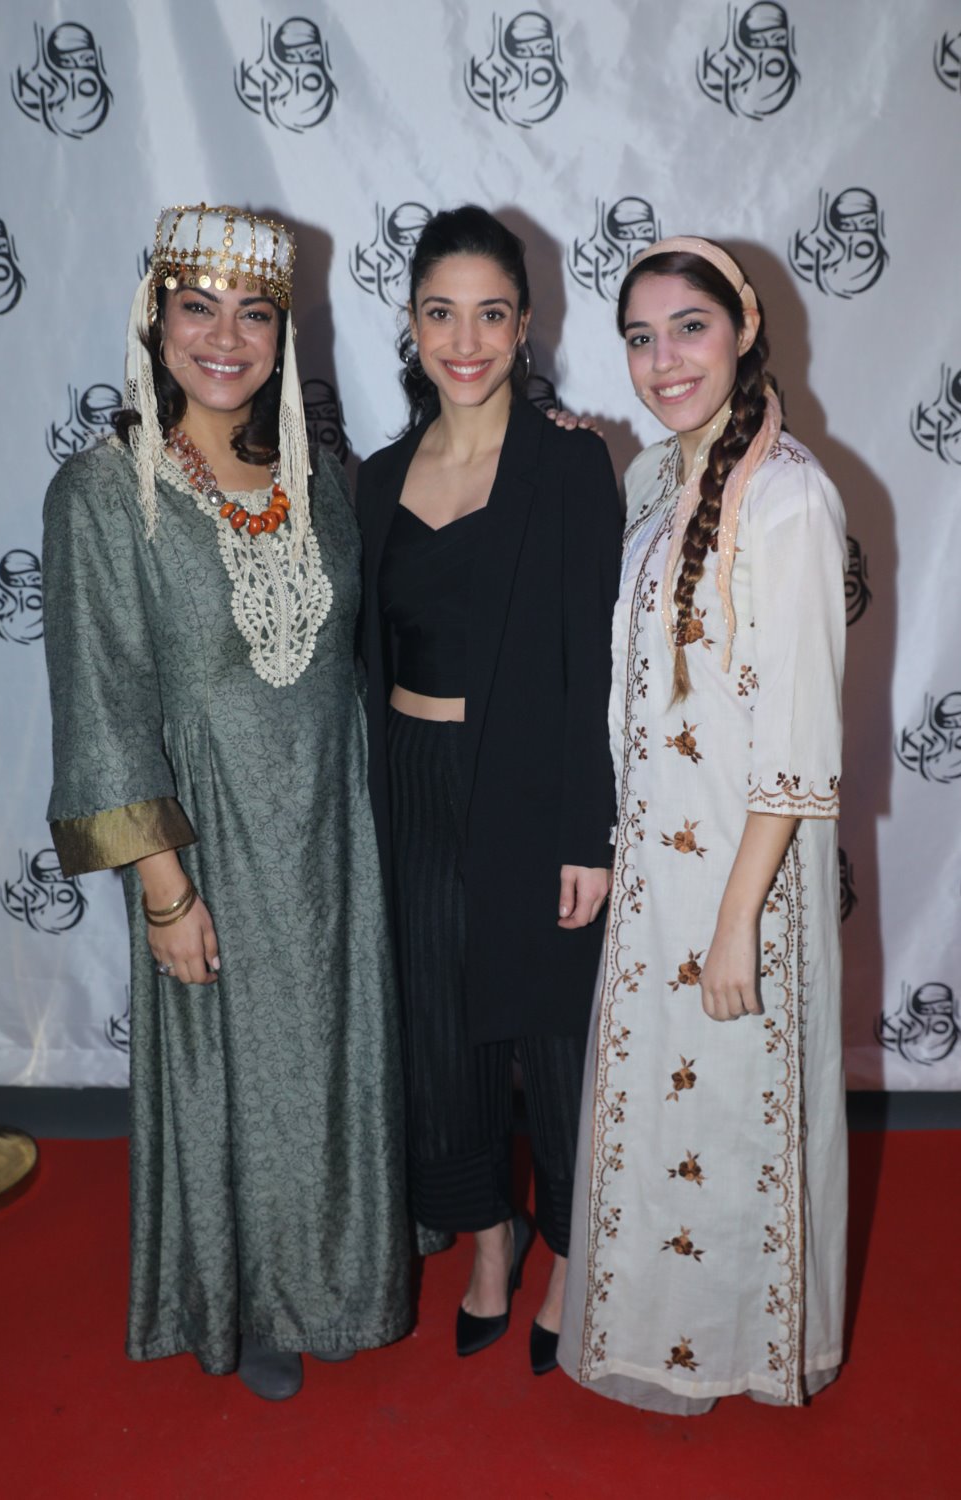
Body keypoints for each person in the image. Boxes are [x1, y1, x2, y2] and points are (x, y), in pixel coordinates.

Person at [42, 204, 411, 1400]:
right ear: (155, 319)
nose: (226, 338)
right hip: (208, 835)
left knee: (333, 1060)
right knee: (230, 1072)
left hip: (335, 830)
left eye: (255, 314)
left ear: (282, 335)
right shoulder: (106, 492)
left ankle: (338, 1278)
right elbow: (102, 702)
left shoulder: (317, 479)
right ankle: (242, 1299)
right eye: (198, 308)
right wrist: (164, 891)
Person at [558, 236, 847, 1412]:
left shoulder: (789, 500)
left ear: (744, 331)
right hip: (655, 877)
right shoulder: (654, 483)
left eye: (689, 327)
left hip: (744, 879)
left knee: (733, 1113)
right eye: (640, 337)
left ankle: (744, 1351)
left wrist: (736, 922)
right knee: (664, 1107)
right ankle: (659, 1338)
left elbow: (799, 742)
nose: (664, 358)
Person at [357, 206, 622, 1375]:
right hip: (410, 788)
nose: (464, 341)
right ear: (411, 324)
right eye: (440, 313)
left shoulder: (569, 462)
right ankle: (487, 1236)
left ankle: (568, 1252)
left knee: (553, 1041)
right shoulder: (374, 481)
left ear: (524, 326)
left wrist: (585, 832)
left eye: (491, 313)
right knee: (439, 1034)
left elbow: (594, 668)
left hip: (530, 784)